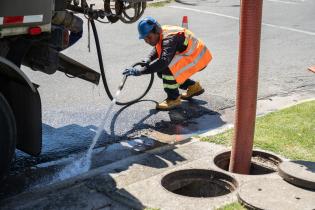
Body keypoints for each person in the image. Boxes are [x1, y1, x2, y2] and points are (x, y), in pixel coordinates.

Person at [123, 16, 212, 110]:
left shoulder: (169, 39)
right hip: (190, 54)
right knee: (161, 72)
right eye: (145, 39)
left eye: (149, 37)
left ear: (156, 31)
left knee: (167, 68)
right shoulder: (162, 32)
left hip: (198, 58)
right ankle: (193, 87)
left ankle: (173, 99)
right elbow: (159, 48)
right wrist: (148, 58)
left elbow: (163, 61)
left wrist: (141, 71)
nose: (148, 41)